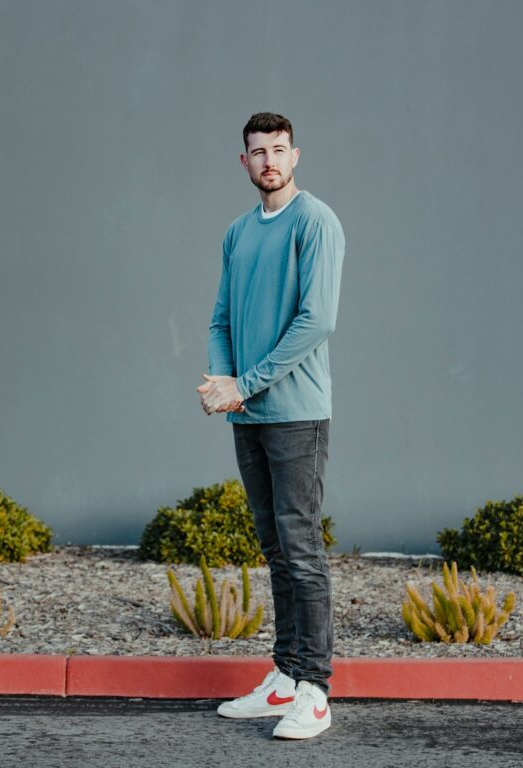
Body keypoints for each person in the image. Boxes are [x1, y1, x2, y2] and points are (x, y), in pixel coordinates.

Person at [197, 112, 345, 740]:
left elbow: (317, 320)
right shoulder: (237, 232)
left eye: (279, 150)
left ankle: (314, 690)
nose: (269, 161)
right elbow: (221, 318)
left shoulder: (316, 221)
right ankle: (284, 676)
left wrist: (246, 382)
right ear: (245, 162)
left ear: (295, 155)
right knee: (276, 551)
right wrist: (222, 382)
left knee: (302, 550)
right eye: (258, 152)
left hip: (297, 416)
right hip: (249, 415)